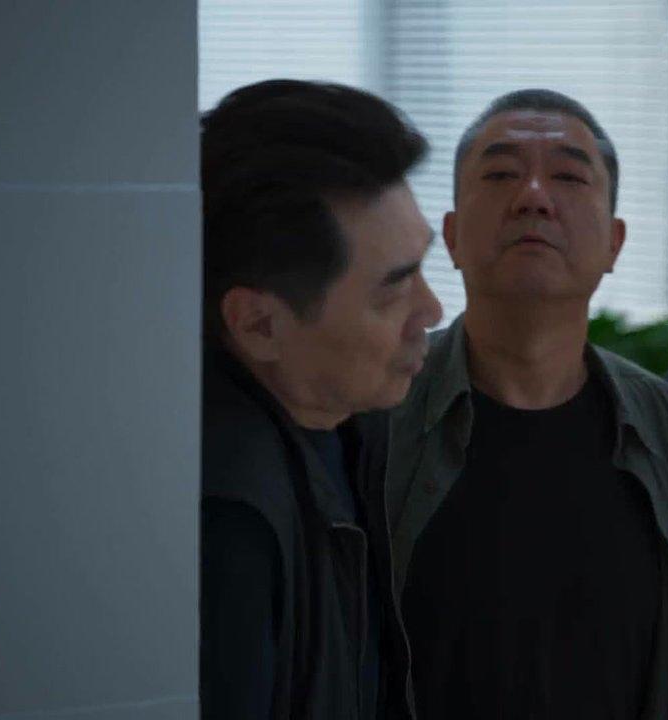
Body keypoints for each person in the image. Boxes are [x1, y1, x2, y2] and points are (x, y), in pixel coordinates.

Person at [382, 89, 668, 720]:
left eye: (568, 177)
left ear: (615, 243)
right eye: (500, 175)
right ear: (451, 237)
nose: (534, 197)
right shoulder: (379, 408)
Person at [200, 79, 441, 719]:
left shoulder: (365, 425)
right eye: (393, 290)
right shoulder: (226, 525)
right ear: (259, 325)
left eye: (423, 267)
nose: (431, 310)